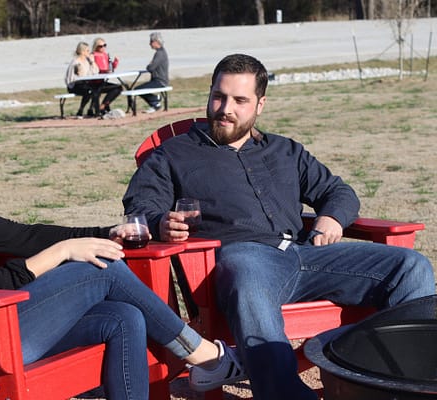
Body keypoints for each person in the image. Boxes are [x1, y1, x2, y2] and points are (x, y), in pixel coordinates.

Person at [0, 104, 246, 398]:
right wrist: (63, 252)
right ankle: (202, 355)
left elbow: (24, 236)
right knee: (101, 268)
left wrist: (105, 232)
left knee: (122, 316)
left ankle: (199, 356)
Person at [122, 54, 436, 400]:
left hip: (306, 253)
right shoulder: (173, 154)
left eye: (240, 100)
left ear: (260, 104)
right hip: (242, 260)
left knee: (410, 266)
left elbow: (338, 191)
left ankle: (405, 385)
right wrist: (160, 222)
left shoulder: (285, 151)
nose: (225, 108)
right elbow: (140, 207)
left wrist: (331, 218)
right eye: (218, 96)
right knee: (249, 277)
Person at [134, 32, 169, 113]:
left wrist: (149, 65)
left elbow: (151, 68)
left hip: (160, 81)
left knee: (137, 90)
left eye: (151, 42)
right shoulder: (161, 52)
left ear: (156, 42)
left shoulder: (159, 54)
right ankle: (155, 102)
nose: (150, 44)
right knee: (138, 89)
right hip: (158, 80)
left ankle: (155, 101)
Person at [64, 41, 99, 117]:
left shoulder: (87, 61)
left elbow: (95, 71)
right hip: (74, 85)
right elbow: (72, 77)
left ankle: (91, 109)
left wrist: (92, 62)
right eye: (87, 51)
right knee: (89, 91)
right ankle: (81, 109)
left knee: (97, 89)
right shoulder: (76, 62)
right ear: (82, 52)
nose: (89, 52)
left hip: (85, 83)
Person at [91, 37, 122, 115]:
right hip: (95, 81)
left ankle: (104, 105)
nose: (103, 47)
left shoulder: (106, 55)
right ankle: (100, 108)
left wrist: (116, 62)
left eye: (104, 45)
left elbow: (111, 67)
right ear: (96, 46)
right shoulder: (93, 55)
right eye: (100, 46)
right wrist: (104, 71)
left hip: (103, 80)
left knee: (118, 88)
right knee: (115, 88)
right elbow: (95, 69)